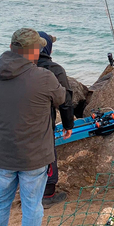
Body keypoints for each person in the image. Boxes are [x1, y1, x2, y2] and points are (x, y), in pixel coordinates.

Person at [0, 28, 66, 226]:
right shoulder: (44, 77)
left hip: (2, 154)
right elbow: (61, 98)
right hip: (34, 155)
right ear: (34, 51)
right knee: (32, 205)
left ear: (12, 48)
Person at [36, 31, 74, 208]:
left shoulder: (21, 67)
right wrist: (68, 124)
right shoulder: (55, 70)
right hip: (43, 122)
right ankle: (47, 195)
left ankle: (29, 193)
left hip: (17, 121)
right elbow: (65, 100)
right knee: (48, 154)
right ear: (48, 48)